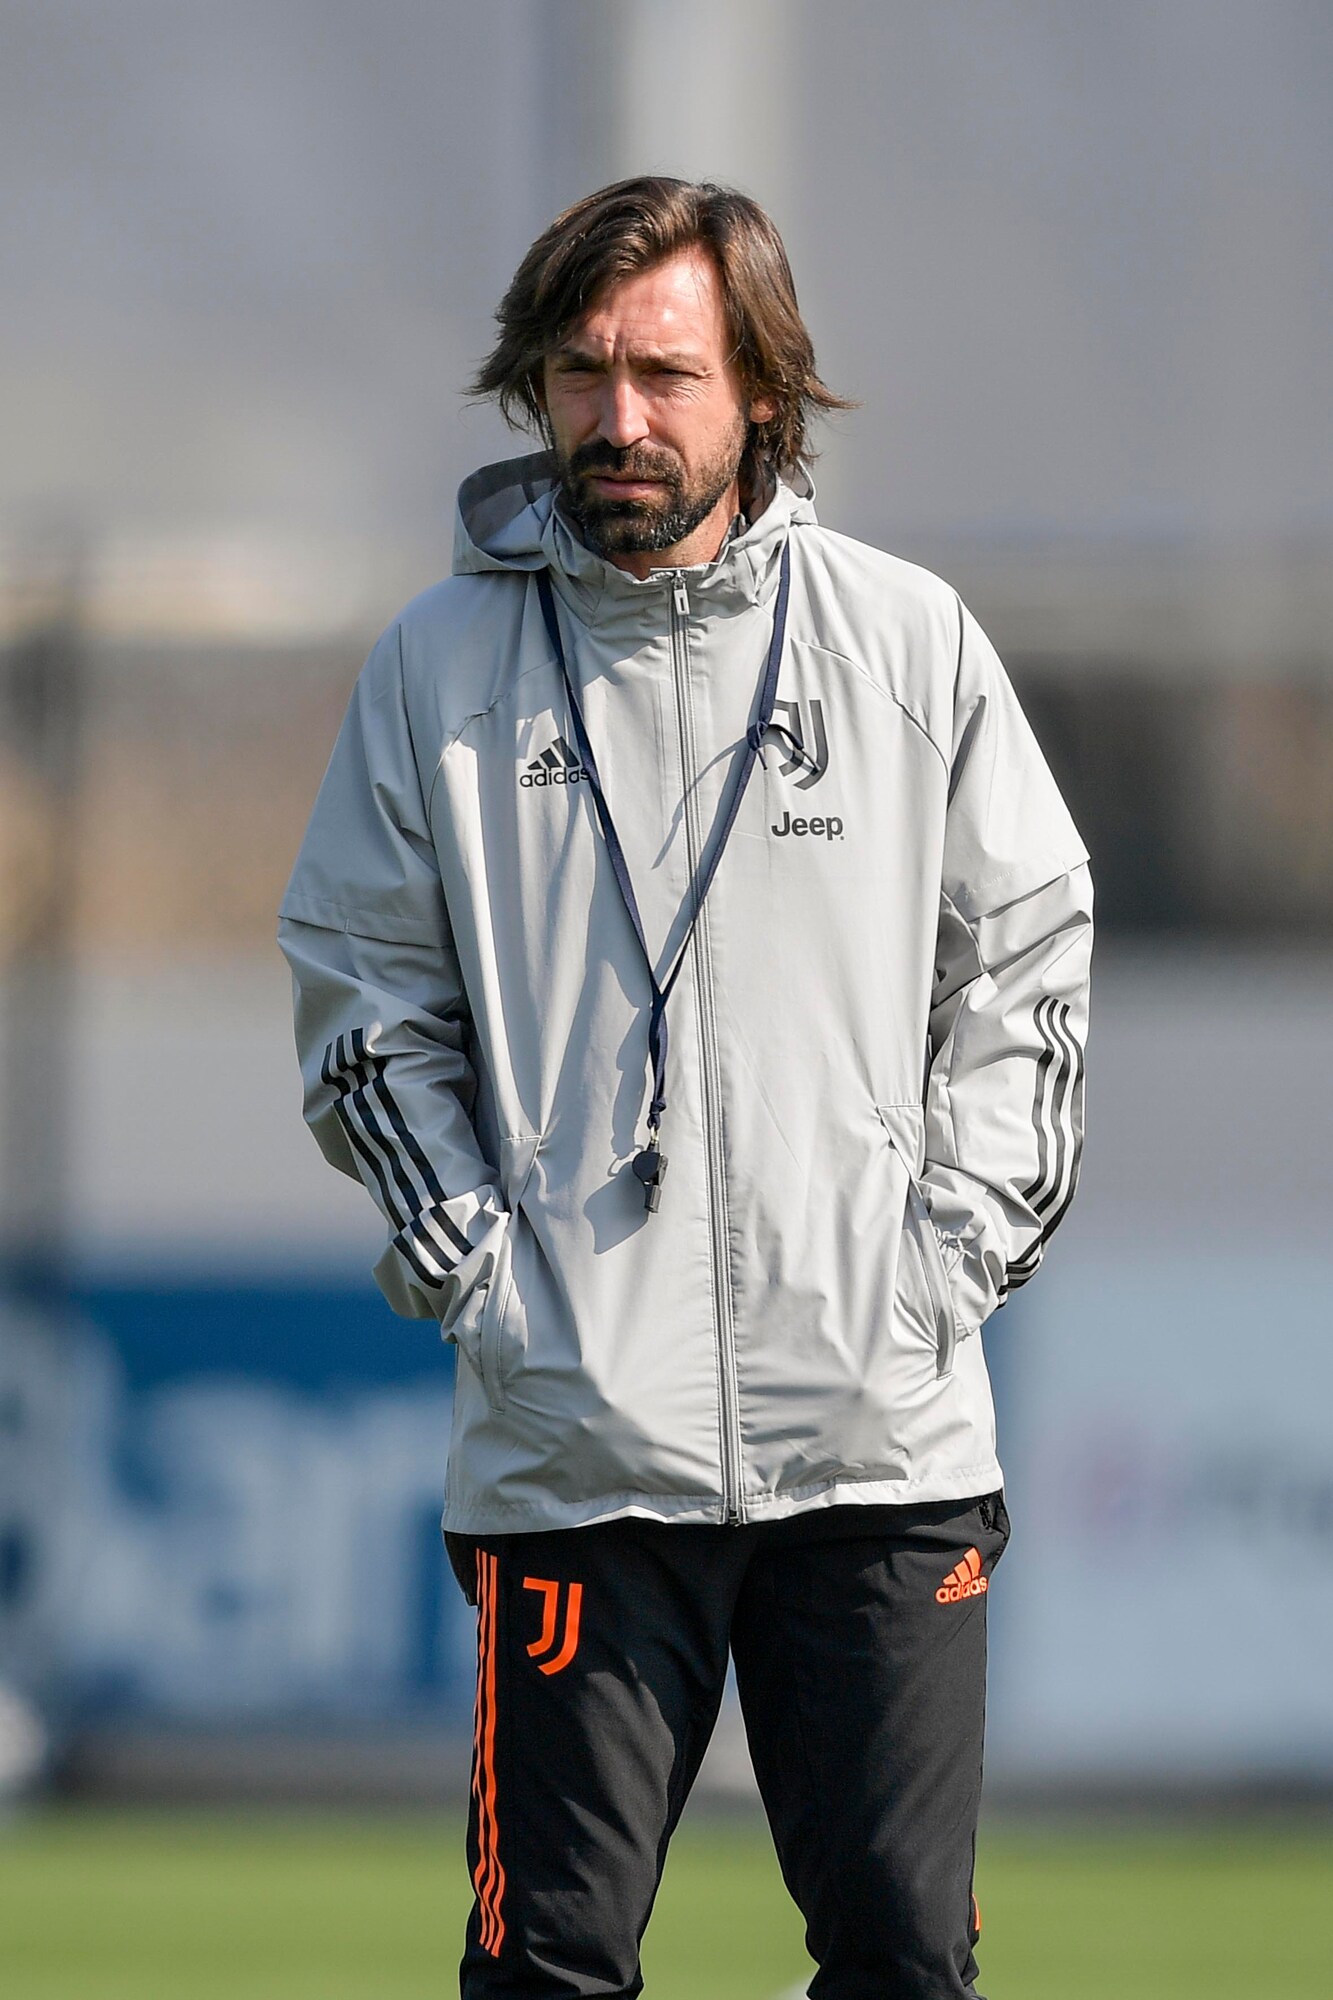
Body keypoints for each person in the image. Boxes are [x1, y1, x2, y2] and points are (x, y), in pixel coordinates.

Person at [279, 176, 1091, 2000]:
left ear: (761, 395)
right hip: (578, 1448)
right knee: (546, 1972)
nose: (618, 418)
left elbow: (1029, 957)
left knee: (902, 1963)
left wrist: (941, 1266)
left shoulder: (904, 641)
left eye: (664, 373)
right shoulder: (435, 666)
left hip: (879, 1445)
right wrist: (490, 1278)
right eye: (581, 374)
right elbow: (361, 1002)